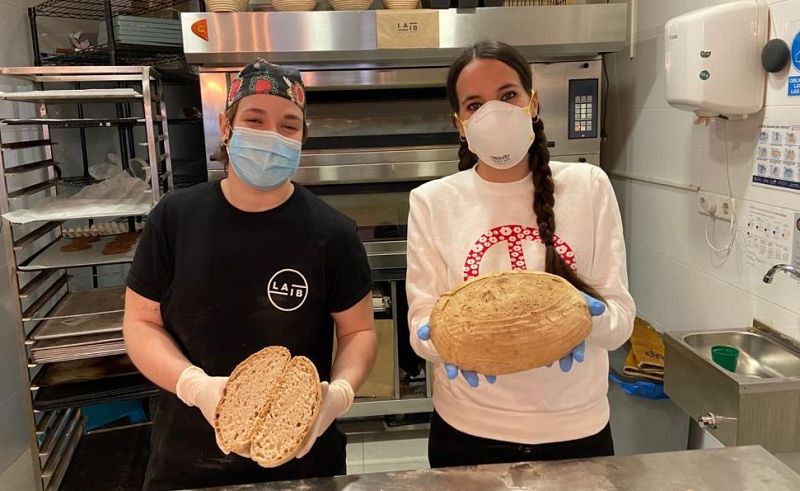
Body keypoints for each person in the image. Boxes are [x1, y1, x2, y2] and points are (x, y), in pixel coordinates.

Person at [123, 59, 377, 490]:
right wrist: (194, 386)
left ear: (302, 139)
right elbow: (141, 322)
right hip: (188, 457)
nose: (271, 136)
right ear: (226, 125)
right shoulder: (175, 218)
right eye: (255, 120)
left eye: (288, 125)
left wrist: (337, 395)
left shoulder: (332, 232)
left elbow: (359, 333)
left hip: (302, 459)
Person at [406, 41, 635, 468]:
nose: (493, 112)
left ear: (532, 103)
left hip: (576, 431)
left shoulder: (588, 187)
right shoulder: (432, 202)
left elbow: (621, 318)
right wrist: (442, 343)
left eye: (508, 95)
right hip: (467, 430)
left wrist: (590, 320)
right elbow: (421, 321)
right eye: (475, 104)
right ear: (459, 124)